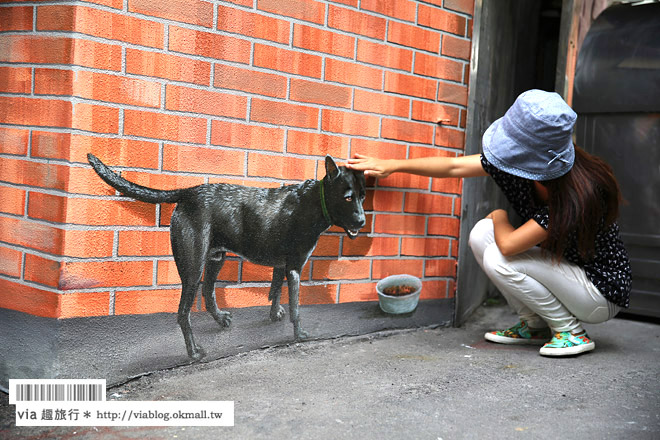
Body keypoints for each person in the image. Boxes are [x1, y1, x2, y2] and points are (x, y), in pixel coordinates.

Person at [346, 89, 632, 357]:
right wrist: (392, 165)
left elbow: (507, 246)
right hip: (564, 269)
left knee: (499, 252)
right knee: (482, 234)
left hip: (598, 292)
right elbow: (454, 167)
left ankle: (570, 332)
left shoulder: (575, 196)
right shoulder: (518, 165)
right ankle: (534, 325)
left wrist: (499, 215)